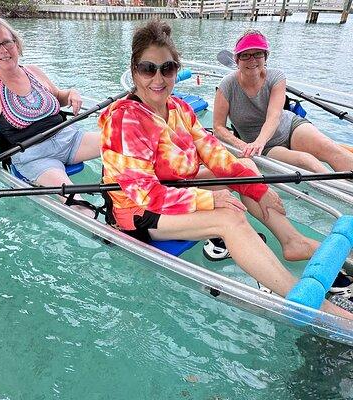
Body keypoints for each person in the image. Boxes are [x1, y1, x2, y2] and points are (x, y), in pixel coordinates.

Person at [98, 20, 352, 318]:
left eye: (167, 68)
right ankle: (311, 304)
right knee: (229, 218)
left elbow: (214, 153)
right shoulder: (126, 121)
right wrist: (210, 200)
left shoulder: (179, 109)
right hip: (140, 210)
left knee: (242, 165)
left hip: (175, 186)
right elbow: (145, 194)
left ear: (175, 71)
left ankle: (291, 241)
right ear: (134, 73)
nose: (158, 78)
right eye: (147, 68)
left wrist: (257, 188)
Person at [0, 16, 100, 215]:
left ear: (16, 43)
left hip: (69, 138)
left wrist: (71, 93)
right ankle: (110, 237)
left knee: (124, 142)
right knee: (78, 203)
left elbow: (59, 96)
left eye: (7, 42)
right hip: (34, 157)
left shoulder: (34, 71)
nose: (3, 50)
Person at [213, 29, 353, 173]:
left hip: (290, 127)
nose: (252, 60)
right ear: (237, 60)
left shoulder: (276, 77)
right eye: (245, 55)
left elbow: (274, 116)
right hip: (265, 147)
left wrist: (259, 141)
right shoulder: (227, 85)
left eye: (258, 54)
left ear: (265, 57)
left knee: (333, 149)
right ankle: (341, 192)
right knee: (307, 161)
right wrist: (244, 145)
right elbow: (218, 127)